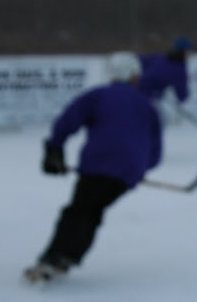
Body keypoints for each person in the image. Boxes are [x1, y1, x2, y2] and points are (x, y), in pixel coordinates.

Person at [23, 51, 163, 282]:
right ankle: (67, 257)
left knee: (79, 211)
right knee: (92, 211)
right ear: (134, 76)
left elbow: (68, 120)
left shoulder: (98, 95)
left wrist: (54, 148)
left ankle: (54, 259)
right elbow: (156, 150)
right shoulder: (148, 106)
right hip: (128, 171)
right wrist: (140, 169)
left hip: (99, 164)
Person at [137, 36, 192, 112]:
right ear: (184, 52)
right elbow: (182, 95)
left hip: (134, 89)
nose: (190, 54)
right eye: (189, 51)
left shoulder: (159, 57)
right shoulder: (179, 69)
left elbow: (137, 61)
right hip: (149, 98)